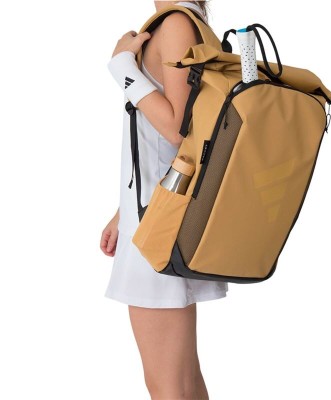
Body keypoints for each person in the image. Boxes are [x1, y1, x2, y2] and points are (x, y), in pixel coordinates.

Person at [100, 1, 228, 398]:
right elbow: (180, 140)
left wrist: (122, 66)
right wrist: (122, 211)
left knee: (169, 387)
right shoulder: (189, 21)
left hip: (157, 226)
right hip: (159, 211)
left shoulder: (175, 24)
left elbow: (176, 128)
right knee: (184, 383)